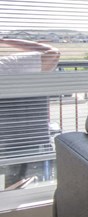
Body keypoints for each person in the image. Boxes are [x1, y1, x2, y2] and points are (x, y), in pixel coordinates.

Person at [0, 38, 61, 188]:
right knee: (20, 185)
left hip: (17, 137)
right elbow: (52, 52)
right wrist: (5, 40)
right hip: (22, 137)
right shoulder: (8, 64)